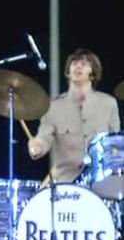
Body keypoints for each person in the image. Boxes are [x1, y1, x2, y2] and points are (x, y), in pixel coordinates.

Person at [28, 48, 121, 183]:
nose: (78, 65)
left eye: (84, 63)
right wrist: (36, 146)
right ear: (68, 72)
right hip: (65, 182)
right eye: (74, 62)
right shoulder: (53, 106)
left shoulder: (109, 103)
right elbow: (43, 138)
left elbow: (116, 144)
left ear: (93, 73)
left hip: (100, 181)